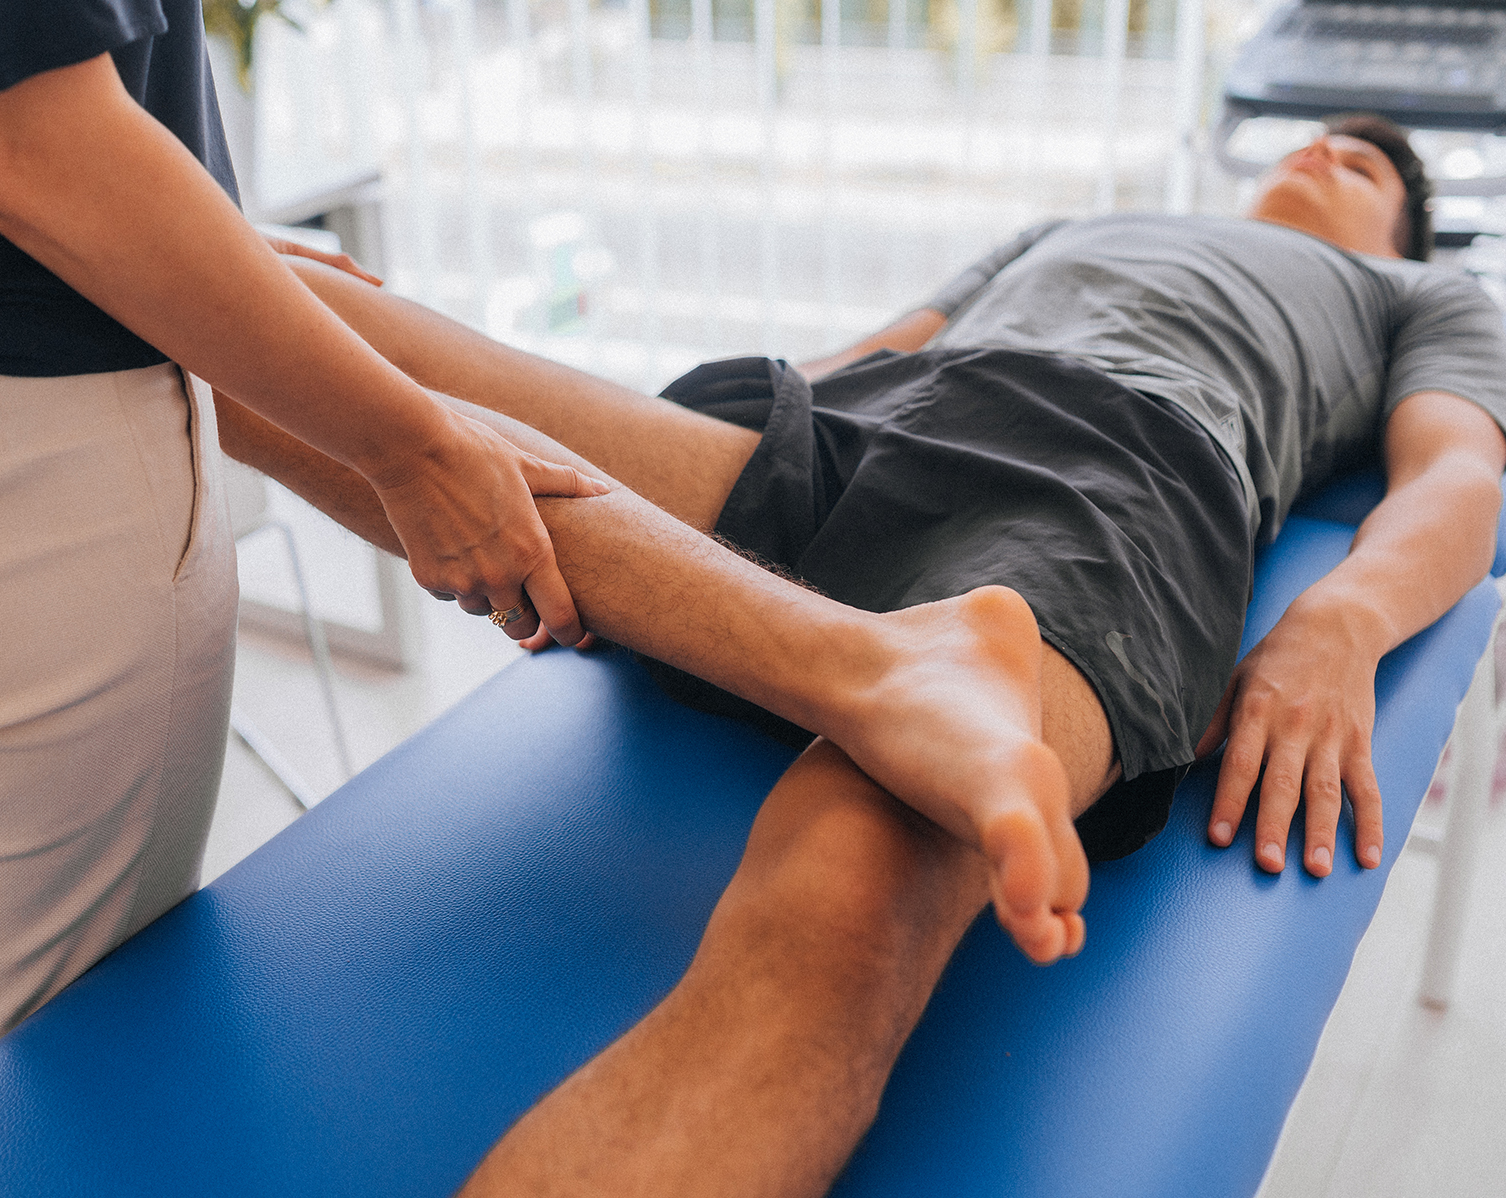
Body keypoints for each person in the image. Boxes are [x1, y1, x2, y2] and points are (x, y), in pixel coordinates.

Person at [208, 114, 1506, 1194]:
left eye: (1370, 165)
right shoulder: (1079, 222)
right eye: (1326, 135)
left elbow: (1457, 477)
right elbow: (885, 348)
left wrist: (1335, 624)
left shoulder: (1419, 292)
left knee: (834, 908)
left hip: (1104, 473)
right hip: (844, 433)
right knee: (272, 317)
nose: (1332, 148)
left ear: (1399, 230)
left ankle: (956, 662)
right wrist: (650, 447)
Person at [0, 0, 607, 1072]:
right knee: (62, 1070)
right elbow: (27, 142)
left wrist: (197, 226)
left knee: (49, 1050)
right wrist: (419, 453)